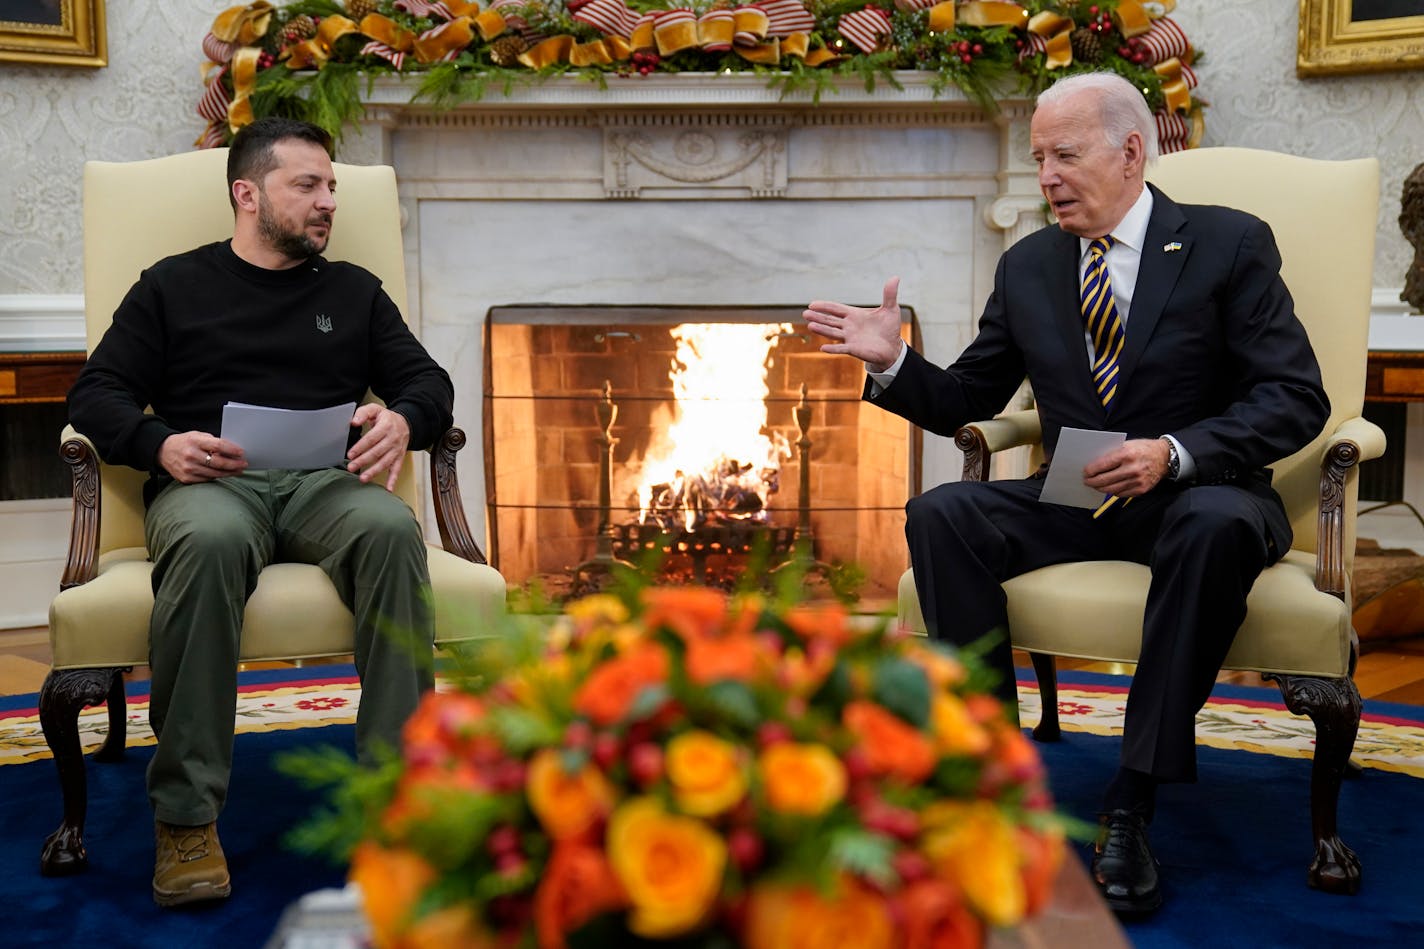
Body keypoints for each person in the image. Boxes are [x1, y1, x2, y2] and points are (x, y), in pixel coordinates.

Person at [803, 72, 1329, 916]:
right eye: (1039, 155)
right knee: (943, 512)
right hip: (1074, 498)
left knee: (1213, 525)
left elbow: (1295, 395)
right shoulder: (1031, 264)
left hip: (1206, 496)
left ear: (1130, 152)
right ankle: (994, 777)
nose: (1045, 175)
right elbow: (970, 397)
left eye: (1065, 154)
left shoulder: (1229, 244)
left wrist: (1175, 451)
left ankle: (1132, 795)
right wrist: (892, 362)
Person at [67, 117, 454, 908]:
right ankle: (185, 818)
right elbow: (95, 392)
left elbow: (427, 380)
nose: (328, 203)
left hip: (324, 484)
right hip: (212, 485)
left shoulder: (353, 293)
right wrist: (160, 443)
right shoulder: (171, 285)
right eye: (307, 185)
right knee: (207, 543)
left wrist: (403, 419)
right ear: (248, 194)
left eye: (333, 186)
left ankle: (402, 803)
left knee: (389, 529)